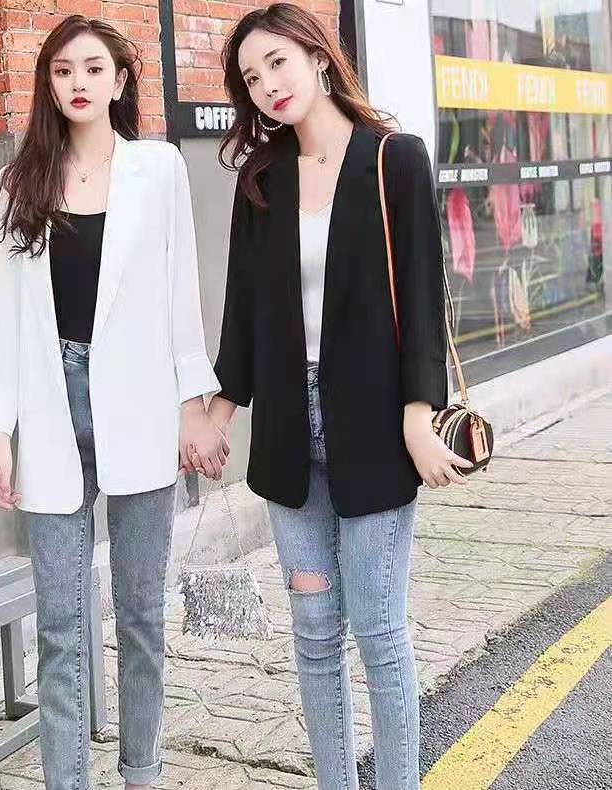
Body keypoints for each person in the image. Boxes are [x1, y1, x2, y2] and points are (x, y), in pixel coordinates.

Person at [199, 5, 472, 789]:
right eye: (252, 77)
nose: (268, 85)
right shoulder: (262, 179)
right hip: (290, 432)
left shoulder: (394, 159)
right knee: (316, 632)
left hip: (377, 429)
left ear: (319, 57)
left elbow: (423, 297)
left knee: (380, 633)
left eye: (278, 63)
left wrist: (418, 415)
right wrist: (220, 410)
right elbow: (244, 309)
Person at [0, 15, 228, 790]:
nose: (77, 82)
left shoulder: (159, 168)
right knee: (59, 626)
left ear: (119, 80)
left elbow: (181, 294)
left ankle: (141, 773)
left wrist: (192, 402)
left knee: (141, 616)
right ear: (48, 85)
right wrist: (0, 431)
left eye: (91, 68)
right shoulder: (22, 181)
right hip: (51, 404)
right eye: (62, 71)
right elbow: (6, 314)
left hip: (140, 403)